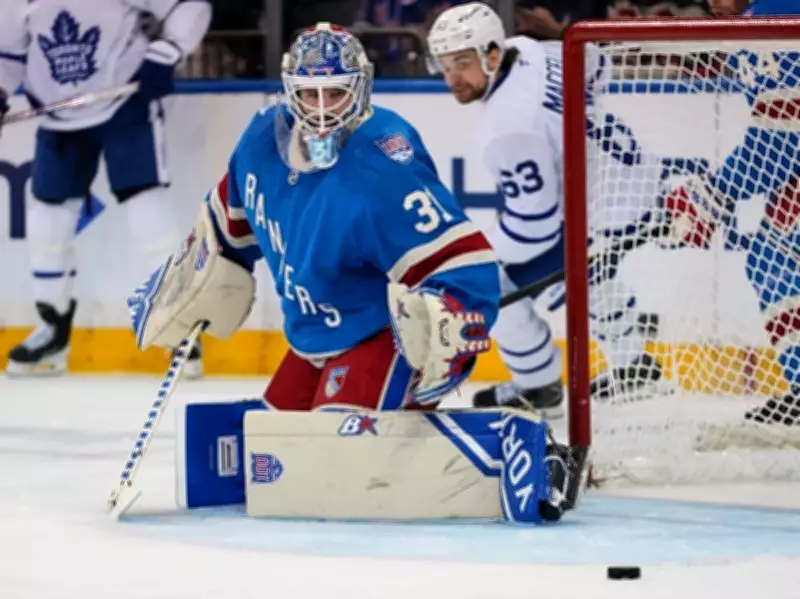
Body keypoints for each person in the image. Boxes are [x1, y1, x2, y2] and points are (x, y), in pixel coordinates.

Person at [128, 23, 501, 411]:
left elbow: (461, 262)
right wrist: (190, 285)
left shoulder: (382, 160)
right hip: (311, 338)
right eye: (310, 94)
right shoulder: (260, 143)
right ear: (292, 91)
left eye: (336, 93)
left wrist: (453, 318)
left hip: (381, 335)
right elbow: (226, 234)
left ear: (360, 88)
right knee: (271, 444)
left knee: (331, 445)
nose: (322, 110)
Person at [427, 2, 680, 413]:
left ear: (492, 55)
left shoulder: (506, 127)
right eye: (444, 65)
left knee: (488, 278)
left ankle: (538, 385)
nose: (452, 78)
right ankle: (634, 363)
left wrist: (469, 255)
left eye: (462, 63)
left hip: (602, 211)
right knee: (586, 270)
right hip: (634, 180)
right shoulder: (530, 49)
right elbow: (597, 69)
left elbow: (536, 228)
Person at [0, 0, 211, 377]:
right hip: (57, 114)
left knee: (145, 205)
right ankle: (52, 328)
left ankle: (178, 325)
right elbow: (8, 49)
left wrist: (167, 51)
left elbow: (189, 7)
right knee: (47, 219)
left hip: (124, 102)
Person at [687, 0, 800, 424]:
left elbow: (781, 136)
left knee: (774, 265)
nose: (714, 3)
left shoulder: (775, 12)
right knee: (773, 263)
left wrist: (712, 194)